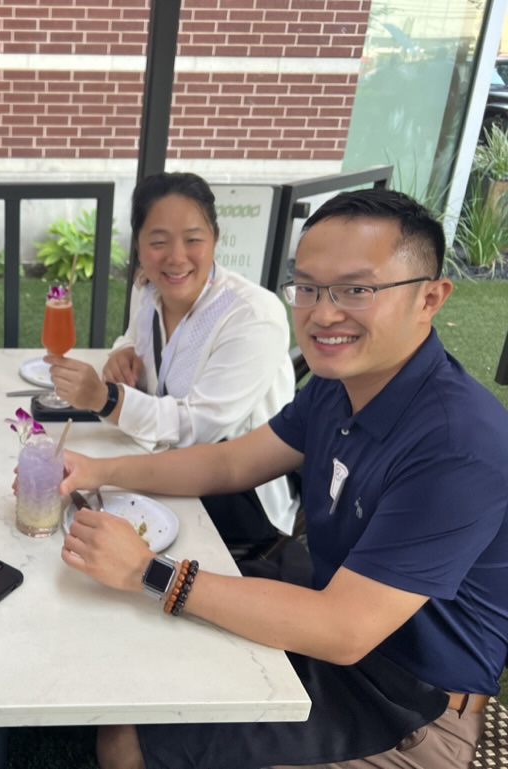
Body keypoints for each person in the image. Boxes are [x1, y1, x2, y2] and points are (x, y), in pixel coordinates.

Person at [60, 188, 508, 769]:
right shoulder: (337, 385)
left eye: (356, 289)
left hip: (408, 696)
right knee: (130, 655)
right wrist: (97, 470)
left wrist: (148, 571)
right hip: (322, 605)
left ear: (430, 298)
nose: (323, 313)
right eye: (309, 287)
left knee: (127, 741)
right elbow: (229, 463)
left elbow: (345, 628)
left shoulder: (458, 444)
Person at [47, 172, 297, 550]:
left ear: (215, 238)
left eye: (193, 239)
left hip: (236, 506)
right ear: (138, 245)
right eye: (159, 242)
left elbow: (198, 429)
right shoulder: (148, 288)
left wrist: (106, 399)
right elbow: (134, 335)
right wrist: (122, 351)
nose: (177, 258)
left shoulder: (252, 316)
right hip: (151, 463)